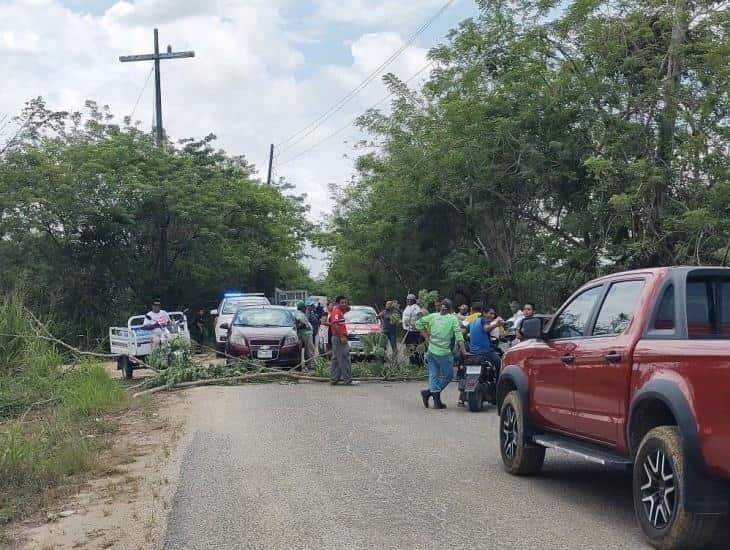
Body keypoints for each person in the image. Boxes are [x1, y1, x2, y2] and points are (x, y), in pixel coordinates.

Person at [415, 298, 466, 409]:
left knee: (434, 374)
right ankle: (431, 395)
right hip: (444, 353)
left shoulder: (433, 316)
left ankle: (433, 397)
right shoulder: (452, 319)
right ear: (451, 308)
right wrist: (464, 351)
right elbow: (459, 336)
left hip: (431, 350)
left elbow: (418, 324)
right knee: (448, 376)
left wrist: (427, 337)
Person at [329, 295, 358, 385]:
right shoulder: (337, 311)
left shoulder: (340, 311)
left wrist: (346, 306)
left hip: (337, 337)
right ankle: (348, 380)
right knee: (345, 358)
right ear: (337, 303)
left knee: (337, 359)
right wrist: (342, 336)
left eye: (345, 302)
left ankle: (334, 379)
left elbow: (347, 309)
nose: (344, 304)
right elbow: (335, 325)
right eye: (342, 302)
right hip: (339, 337)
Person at [468, 306, 505, 370]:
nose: (492, 316)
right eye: (490, 313)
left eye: (493, 314)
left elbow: (464, 331)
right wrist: (497, 324)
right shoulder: (483, 319)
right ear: (484, 313)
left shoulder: (473, 322)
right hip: (484, 351)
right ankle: (498, 379)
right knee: (499, 361)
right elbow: (486, 329)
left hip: (472, 352)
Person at [296, 302, 315, 370]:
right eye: (305, 308)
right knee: (309, 350)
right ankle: (310, 365)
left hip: (304, 334)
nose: (306, 309)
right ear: (302, 308)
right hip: (305, 334)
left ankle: (300, 366)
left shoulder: (300, 314)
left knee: (301, 350)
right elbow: (301, 324)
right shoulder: (299, 315)